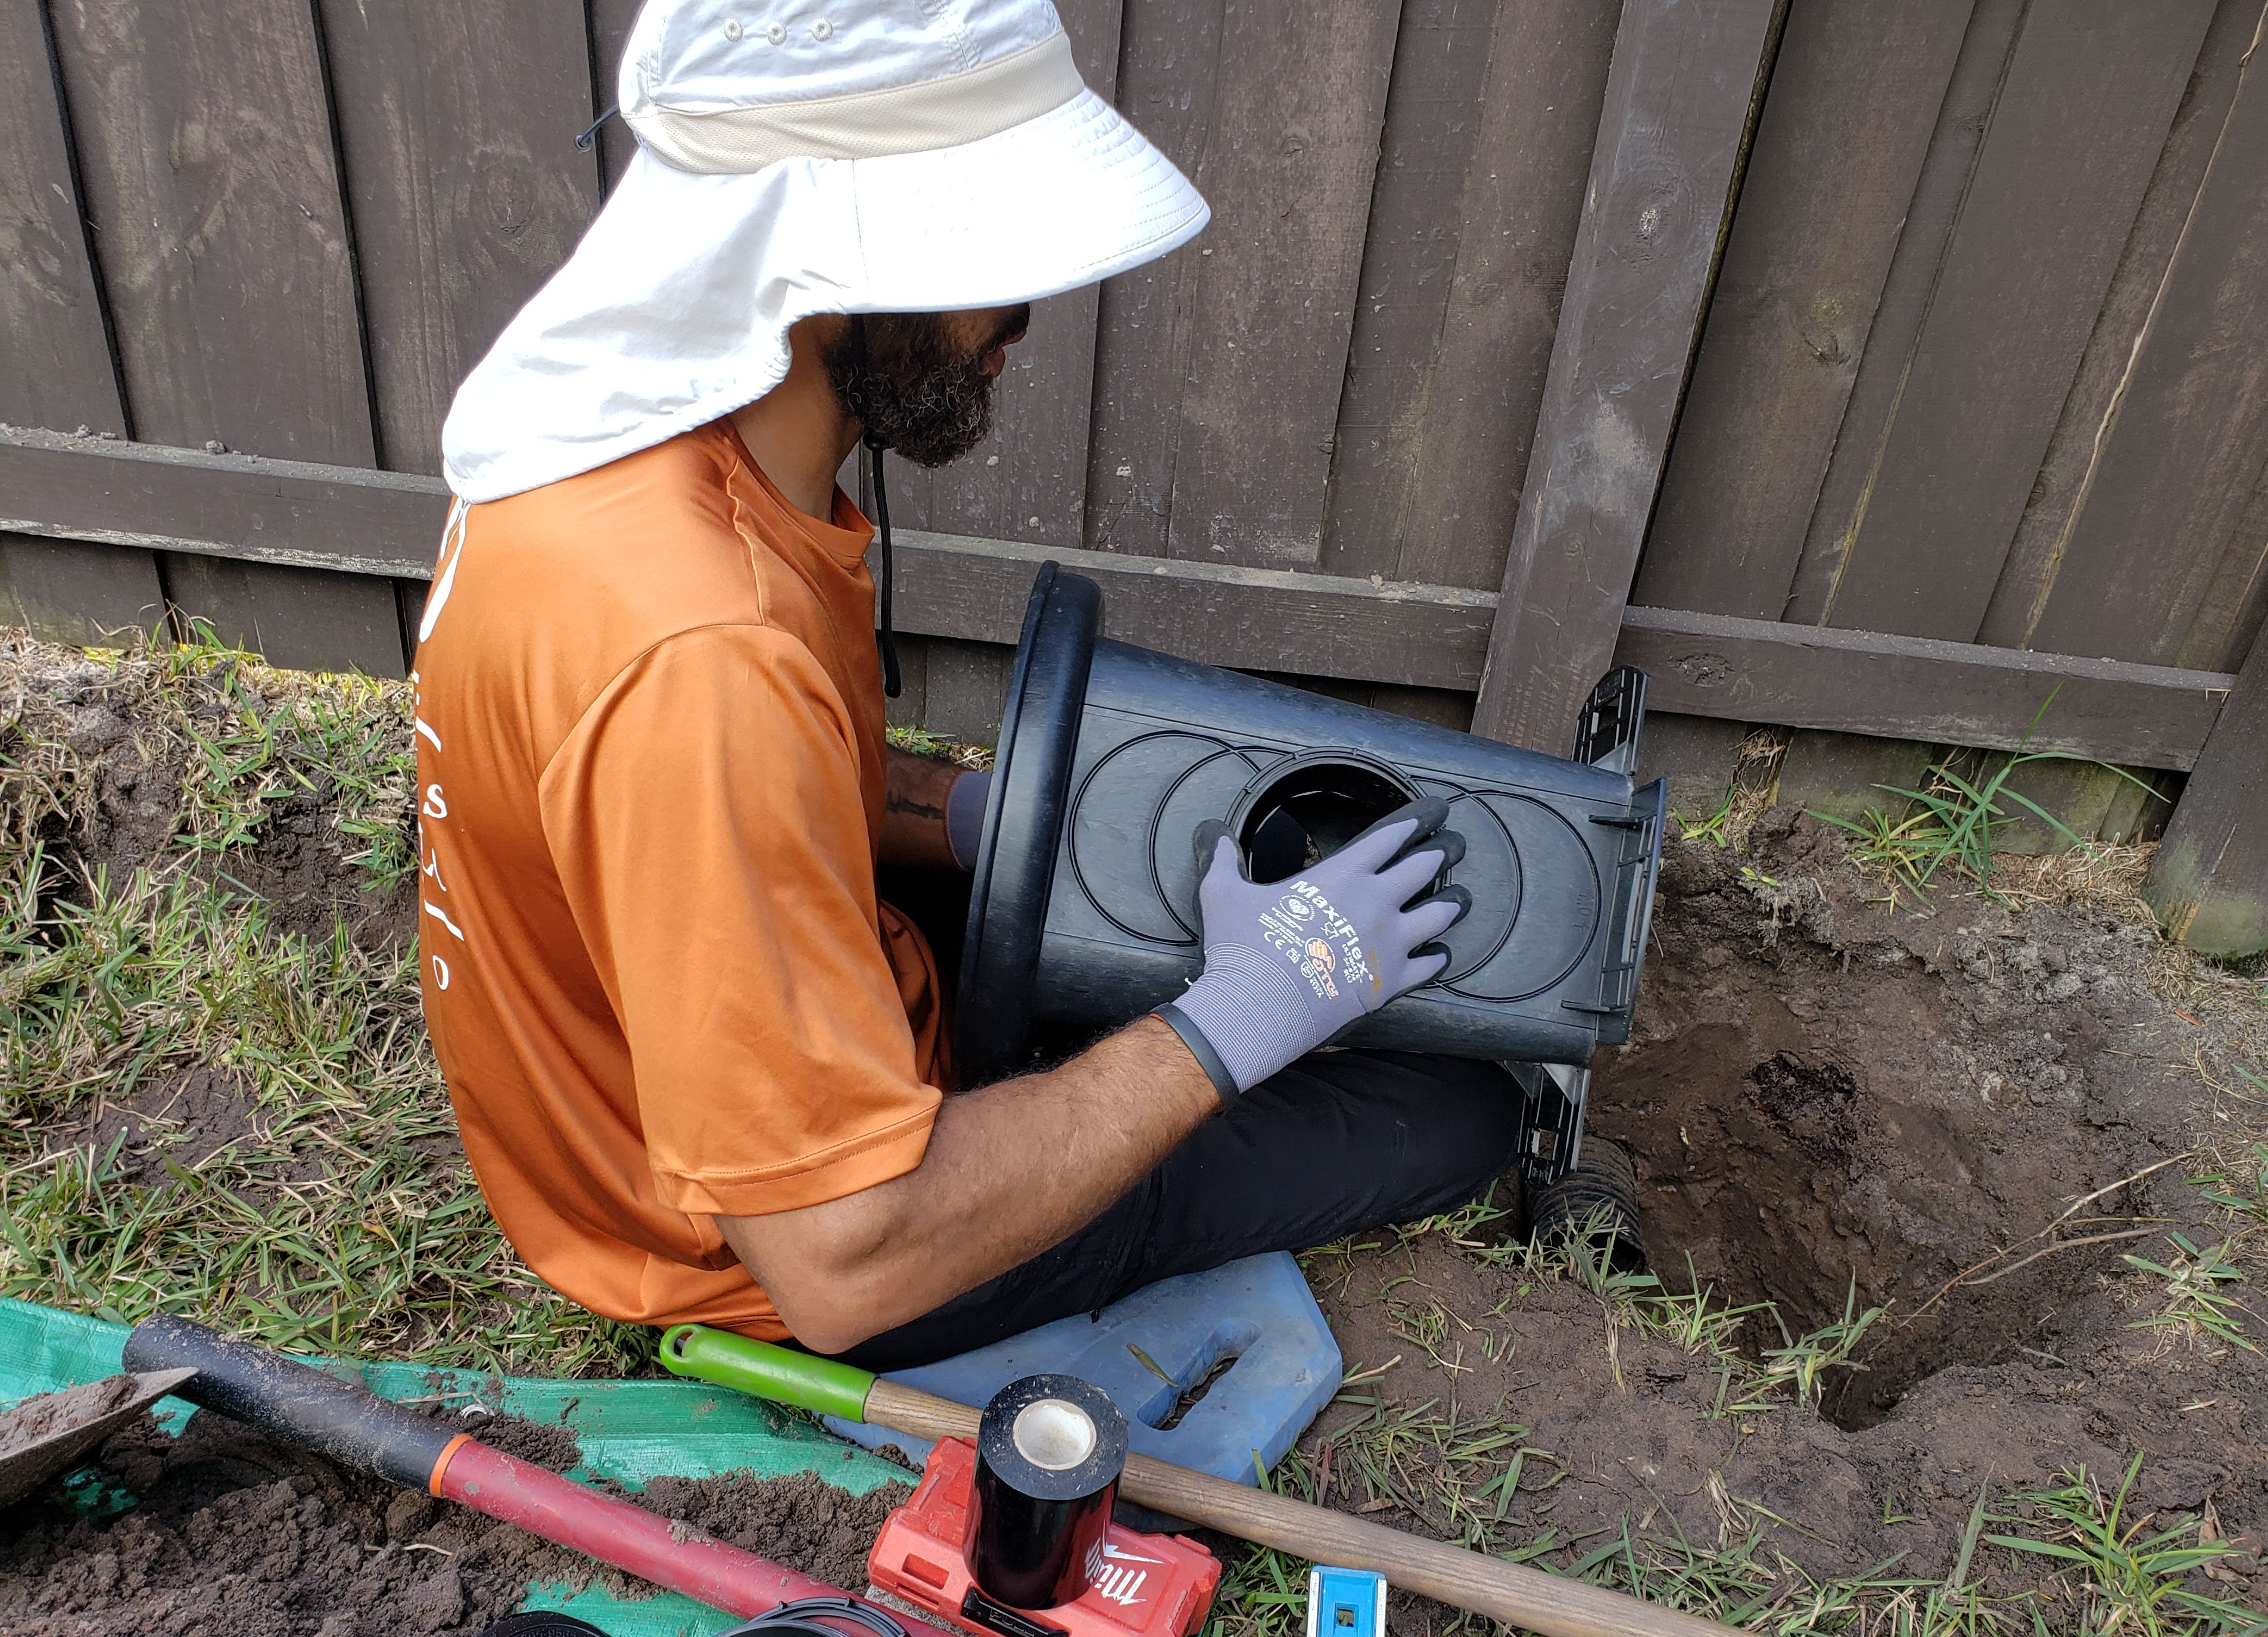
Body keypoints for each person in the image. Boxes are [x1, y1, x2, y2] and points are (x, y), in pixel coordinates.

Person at [413, 0, 1523, 1370]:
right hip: (758, 1244)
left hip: (686, 1071)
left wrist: (964, 819)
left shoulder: (612, 461)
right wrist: (1239, 1017)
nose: (1025, 320)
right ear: (829, 264)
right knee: (1462, 1113)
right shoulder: (700, 647)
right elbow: (839, 1260)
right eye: (991, 260)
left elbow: (728, 801)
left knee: (1150, 903)